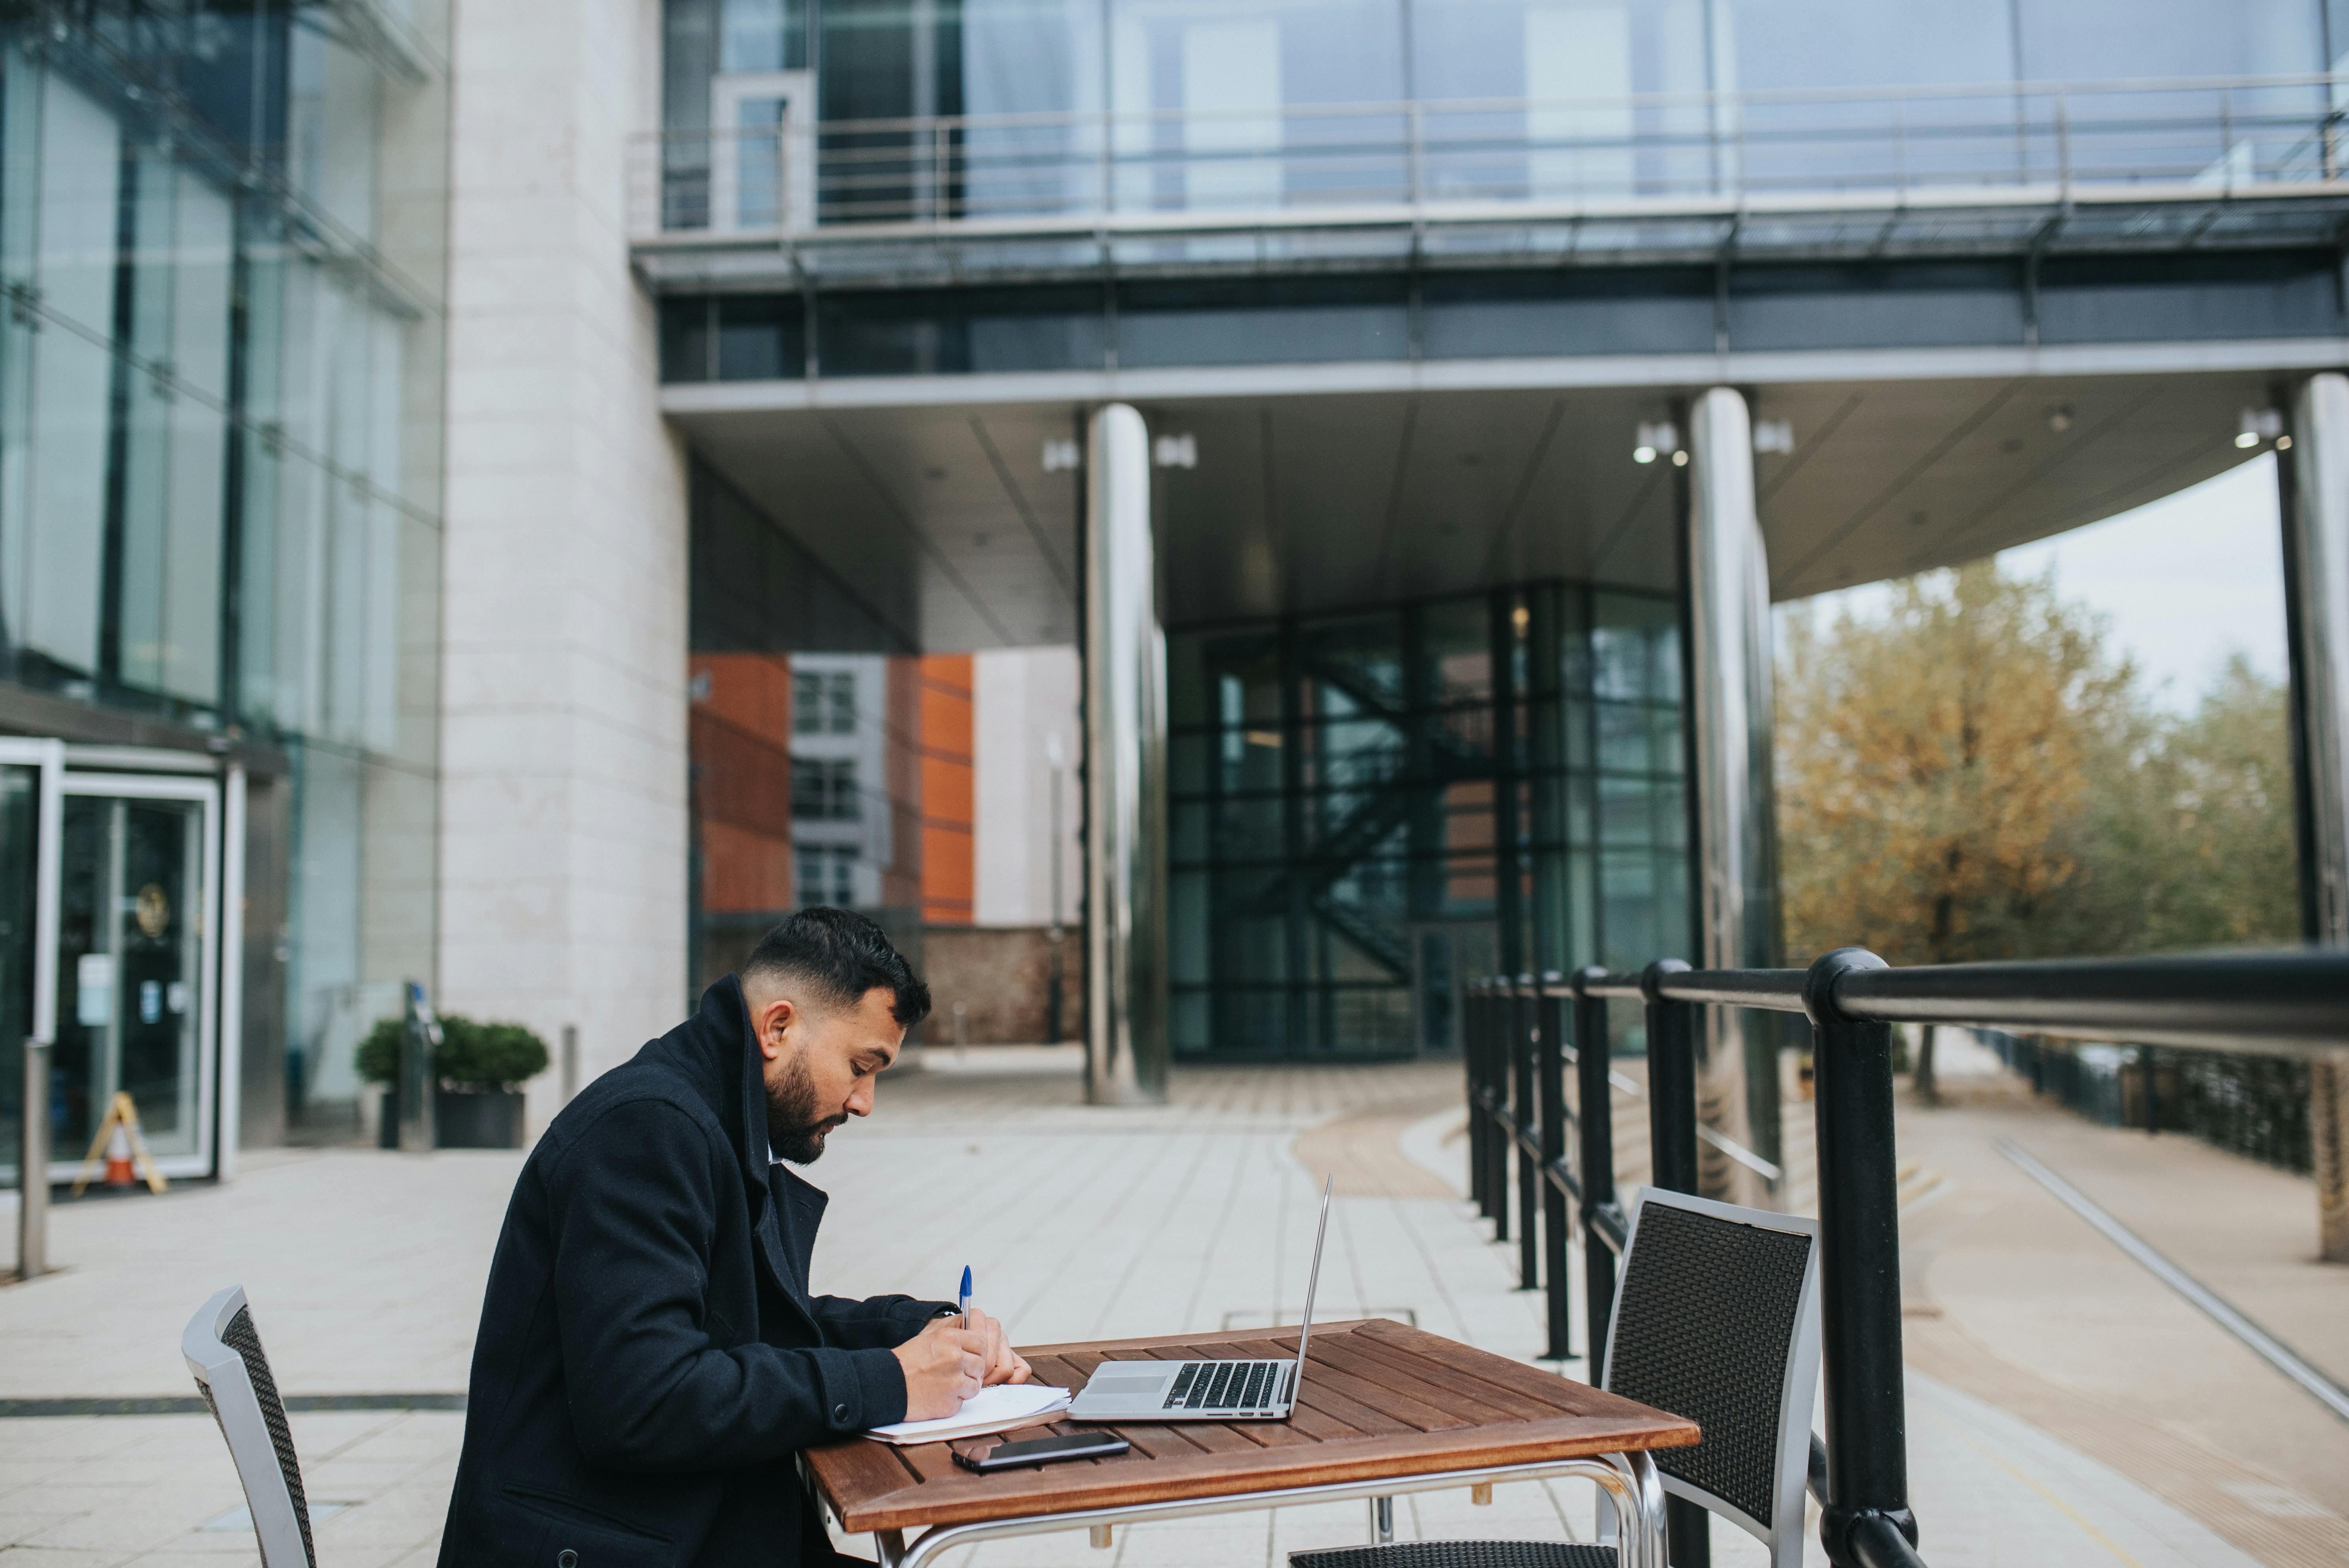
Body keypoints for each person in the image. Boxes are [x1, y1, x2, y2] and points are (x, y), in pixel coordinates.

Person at [437, 909, 1030, 1568]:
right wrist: (889, 1380)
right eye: (861, 1065)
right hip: (610, 1546)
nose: (864, 1100)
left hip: (676, 1530)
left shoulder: (710, 1118)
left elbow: (749, 1328)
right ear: (778, 1027)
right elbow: (645, 1399)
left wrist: (922, 1331)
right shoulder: (647, 1127)